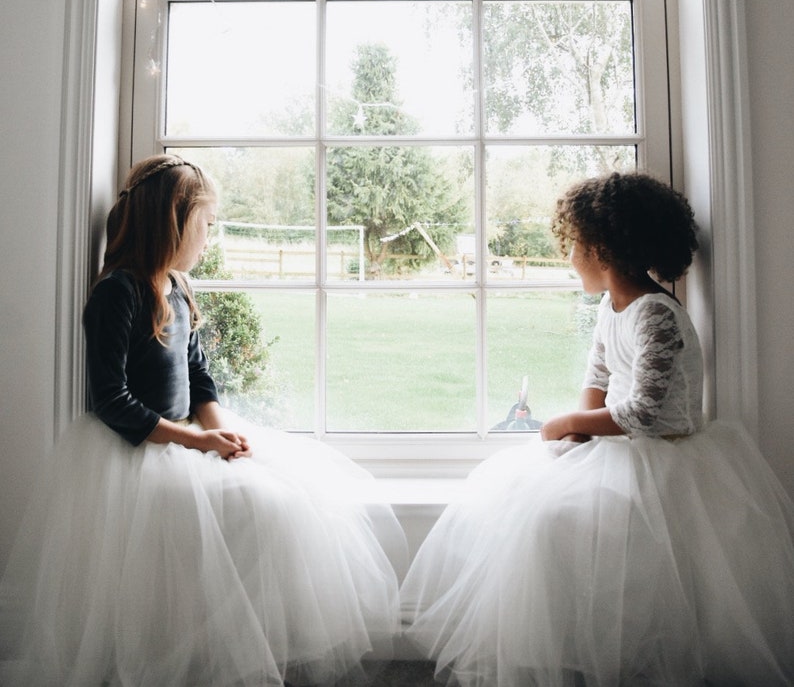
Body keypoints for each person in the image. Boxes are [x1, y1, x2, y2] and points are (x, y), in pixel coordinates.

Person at [1, 154, 406, 687]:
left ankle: (218, 651)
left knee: (282, 504)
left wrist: (218, 429)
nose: (210, 239)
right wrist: (196, 442)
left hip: (188, 436)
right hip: (135, 448)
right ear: (173, 220)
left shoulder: (177, 288)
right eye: (206, 225)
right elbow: (111, 399)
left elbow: (198, 377)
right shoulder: (118, 292)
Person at [401, 171, 794, 687]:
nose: (568, 258)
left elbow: (645, 412)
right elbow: (599, 376)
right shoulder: (612, 307)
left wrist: (566, 421)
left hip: (665, 458)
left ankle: (635, 659)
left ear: (602, 250)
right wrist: (574, 435)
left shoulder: (655, 313)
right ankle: (574, 652)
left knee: (605, 549)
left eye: (574, 247)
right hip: (618, 449)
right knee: (532, 514)